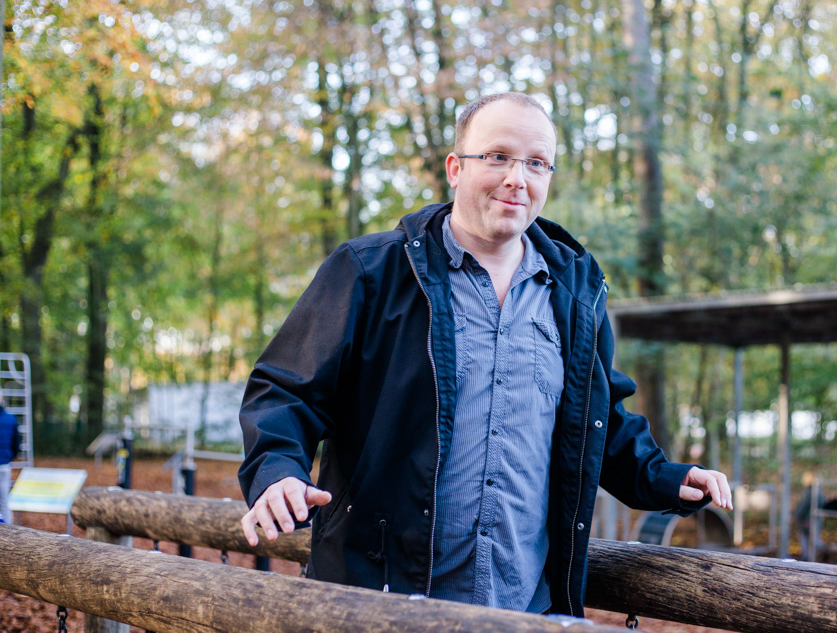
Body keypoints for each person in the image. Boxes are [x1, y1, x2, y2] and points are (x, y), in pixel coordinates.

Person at [238, 92, 732, 616]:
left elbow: (595, 422)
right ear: (456, 169)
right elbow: (285, 391)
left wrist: (666, 478)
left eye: (537, 163)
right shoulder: (369, 272)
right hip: (384, 606)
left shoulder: (576, 294)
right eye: (497, 156)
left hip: (527, 612)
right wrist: (277, 470)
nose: (518, 178)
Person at [0, 392, 20, 524]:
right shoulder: (11, 419)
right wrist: (8, 457)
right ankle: (9, 530)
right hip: (4, 466)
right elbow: (16, 445)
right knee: (4, 501)